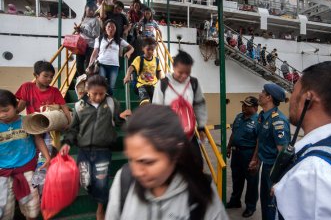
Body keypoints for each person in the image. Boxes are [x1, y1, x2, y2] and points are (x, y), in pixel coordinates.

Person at [105, 104, 229, 220]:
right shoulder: (124, 180)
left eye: (148, 162)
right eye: (131, 159)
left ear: (175, 153)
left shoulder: (201, 191)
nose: (136, 172)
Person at [274, 61, 331, 219]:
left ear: (309, 99)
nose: (291, 98)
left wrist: (302, 184)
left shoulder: (313, 172)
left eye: (293, 91)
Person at [60, 75, 131, 220]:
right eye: (94, 94)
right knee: (85, 181)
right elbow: (73, 128)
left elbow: (118, 121)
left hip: (103, 151)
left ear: (106, 91)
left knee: (101, 182)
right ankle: (99, 196)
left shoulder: (112, 103)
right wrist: (67, 143)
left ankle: (100, 208)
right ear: (87, 91)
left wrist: (130, 122)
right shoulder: (79, 105)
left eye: (102, 93)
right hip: (84, 151)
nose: (98, 97)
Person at [0, 89, 51, 220]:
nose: (2, 115)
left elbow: (38, 139)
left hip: (27, 168)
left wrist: (47, 156)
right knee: (4, 209)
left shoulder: (27, 121)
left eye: (5, 110)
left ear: (16, 106)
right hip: (2, 171)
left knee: (33, 207)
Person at [152, 50, 207, 166]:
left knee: (197, 164)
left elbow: (199, 104)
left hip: (189, 135)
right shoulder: (163, 84)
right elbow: (156, 111)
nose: (184, 76)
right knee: (173, 166)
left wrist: (201, 128)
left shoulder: (193, 83)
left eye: (188, 72)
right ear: (173, 67)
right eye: (180, 72)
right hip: (169, 136)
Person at [249, 83, 290, 220]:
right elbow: (260, 140)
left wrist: (278, 181)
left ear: (269, 97)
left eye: (262, 92)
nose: (259, 94)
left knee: (272, 206)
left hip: (273, 169)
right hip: (265, 165)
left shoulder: (278, 121)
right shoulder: (262, 115)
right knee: (265, 202)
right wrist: (256, 159)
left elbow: (283, 154)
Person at [226, 96, 259, 218]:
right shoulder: (239, 117)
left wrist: (255, 159)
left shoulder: (258, 120)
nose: (243, 107)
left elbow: (259, 142)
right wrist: (229, 147)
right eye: (243, 105)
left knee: (251, 182)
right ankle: (235, 201)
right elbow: (234, 133)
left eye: (247, 105)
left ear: (255, 108)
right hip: (236, 153)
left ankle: (250, 207)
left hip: (249, 154)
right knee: (236, 178)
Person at [88, 19, 134, 96]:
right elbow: (95, 52)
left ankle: (108, 103)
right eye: (108, 26)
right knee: (102, 83)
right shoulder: (99, 39)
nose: (111, 28)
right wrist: (90, 64)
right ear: (105, 28)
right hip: (101, 64)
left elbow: (132, 48)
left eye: (113, 27)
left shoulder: (119, 40)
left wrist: (128, 53)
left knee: (111, 87)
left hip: (114, 66)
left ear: (116, 29)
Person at [124, 38, 161, 105]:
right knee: (145, 101)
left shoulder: (156, 60)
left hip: (153, 85)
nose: (150, 51)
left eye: (152, 50)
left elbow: (158, 71)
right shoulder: (139, 59)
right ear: (143, 48)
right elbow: (131, 67)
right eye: (148, 49)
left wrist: (160, 82)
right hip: (142, 85)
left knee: (156, 103)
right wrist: (127, 76)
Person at [74, 1, 101, 75]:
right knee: (78, 65)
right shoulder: (84, 18)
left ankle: (87, 81)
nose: (91, 12)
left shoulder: (96, 21)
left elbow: (96, 35)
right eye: (90, 10)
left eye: (93, 10)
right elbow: (82, 32)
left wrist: (82, 30)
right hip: (81, 45)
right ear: (85, 9)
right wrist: (78, 30)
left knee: (87, 66)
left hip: (90, 46)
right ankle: (83, 79)